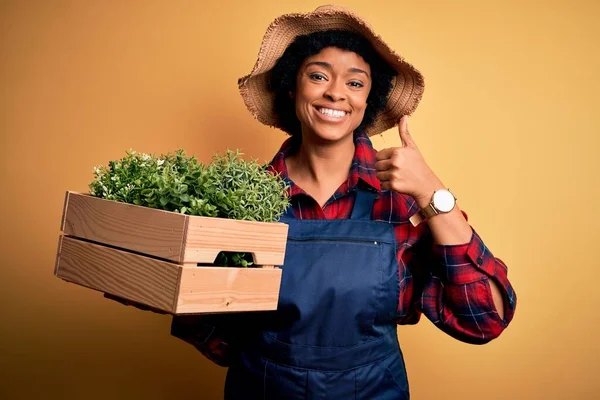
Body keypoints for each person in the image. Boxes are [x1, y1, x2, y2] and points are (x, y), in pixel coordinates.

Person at [171, 5, 516, 399]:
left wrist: (432, 193)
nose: (335, 92)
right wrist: (165, 283)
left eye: (355, 83)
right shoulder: (242, 202)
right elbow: (222, 340)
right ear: (291, 87)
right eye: (318, 76)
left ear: (370, 100)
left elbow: (483, 321)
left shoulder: (404, 202)